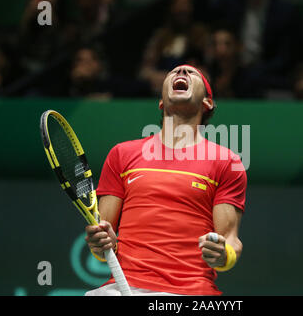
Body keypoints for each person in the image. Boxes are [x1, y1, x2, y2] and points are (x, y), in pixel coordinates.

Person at [84, 64, 247, 296]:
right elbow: (102, 244)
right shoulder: (121, 154)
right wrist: (99, 242)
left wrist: (224, 255)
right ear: (161, 102)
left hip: (190, 291)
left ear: (207, 102)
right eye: (175, 71)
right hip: (122, 287)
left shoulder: (226, 162)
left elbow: (230, 239)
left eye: (192, 73)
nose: (181, 73)